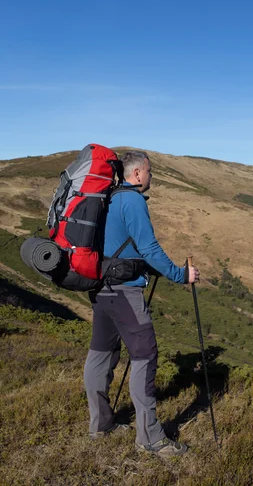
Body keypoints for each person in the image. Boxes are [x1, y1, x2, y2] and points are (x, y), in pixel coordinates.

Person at [84, 150, 200, 456]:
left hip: (101, 288)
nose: (151, 177)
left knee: (101, 354)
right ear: (137, 174)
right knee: (145, 355)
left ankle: (100, 424)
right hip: (124, 292)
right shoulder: (132, 200)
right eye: (149, 172)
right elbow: (148, 247)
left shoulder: (107, 197)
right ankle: (150, 438)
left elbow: (117, 246)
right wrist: (180, 275)